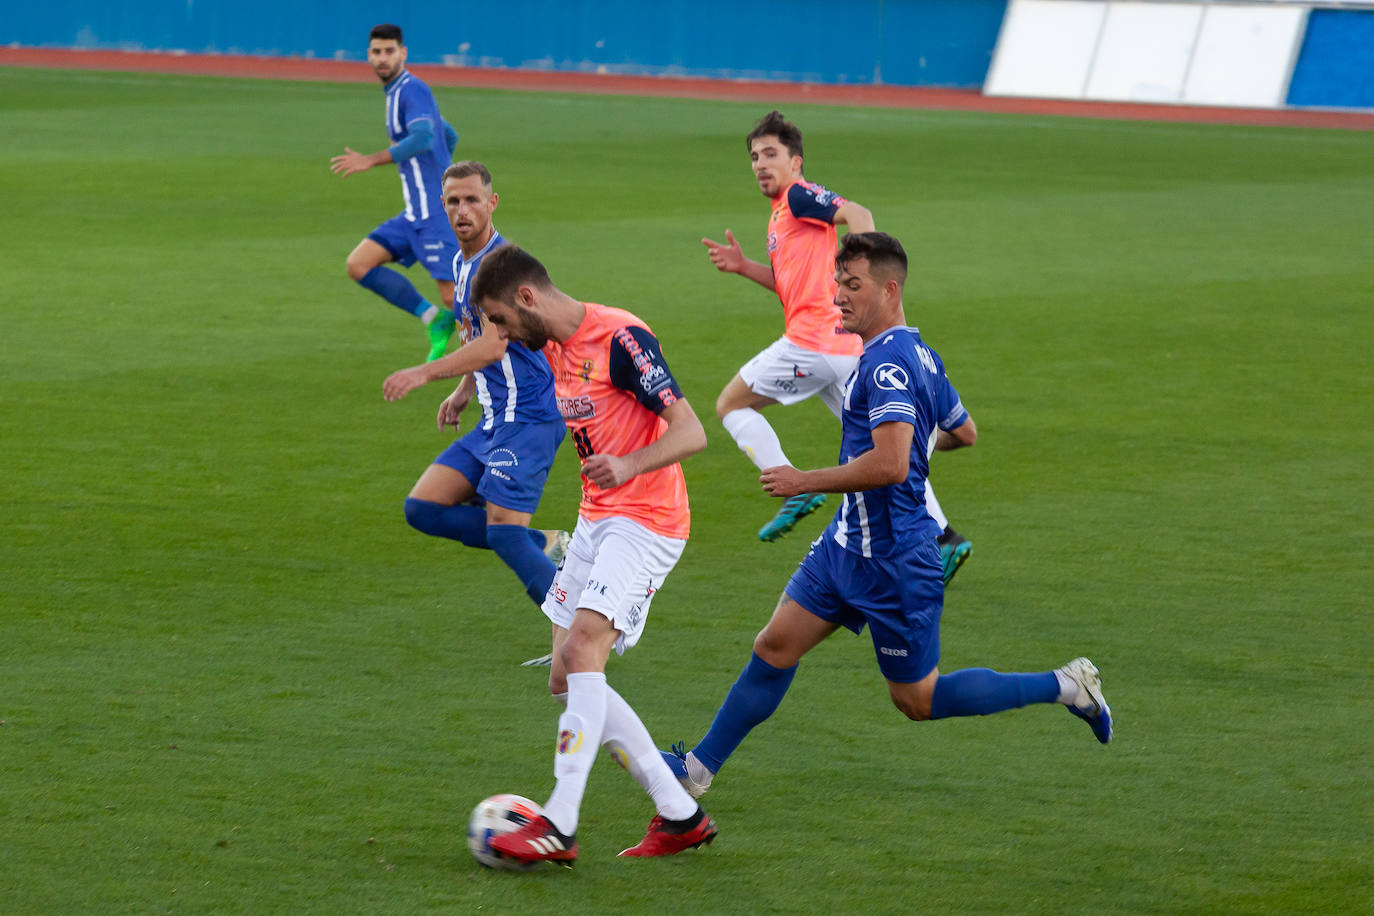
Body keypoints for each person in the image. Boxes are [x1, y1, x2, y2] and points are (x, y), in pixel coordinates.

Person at [663, 232, 1112, 803]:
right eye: (837, 284)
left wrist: (806, 480)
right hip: (845, 546)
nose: (839, 297)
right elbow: (963, 431)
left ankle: (1065, 686)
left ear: (889, 289)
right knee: (775, 645)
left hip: (898, 561)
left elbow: (893, 464)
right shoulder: (919, 353)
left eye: (853, 286)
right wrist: (912, 443)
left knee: (916, 701)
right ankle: (697, 769)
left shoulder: (886, 365)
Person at [469, 245, 718, 865]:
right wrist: (459, 395)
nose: (500, 334)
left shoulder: (622, 340)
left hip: (648, 521)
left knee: (584, 648)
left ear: (526, 298)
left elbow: (693, 432)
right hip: (596, 520)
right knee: (565, 677)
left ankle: (559, 821)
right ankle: (680, 813)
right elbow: (509, 374)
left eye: (500, 319)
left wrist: (629, 463)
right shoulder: (548, 344)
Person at [706, 111, 973, 583]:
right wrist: (744, 266)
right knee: (882, 445)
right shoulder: (784, 215)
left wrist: (859, 271)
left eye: (771, 154)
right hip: (842, 349)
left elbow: (858, 214)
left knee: (730, 404)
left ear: (796, 161)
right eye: (754, 156)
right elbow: (794, 287)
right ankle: (944, 537)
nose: (760, 164)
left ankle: (792, 486)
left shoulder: (799, 194)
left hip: (814, 344)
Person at [382, 162, 569, 628]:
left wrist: (425, 374)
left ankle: (580, 634)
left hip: (528, 417)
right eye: (452, 201)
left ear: (492, 203)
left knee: (504, 534)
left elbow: (493, 343)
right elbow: (476, 335)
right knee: (423, 508)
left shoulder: (501, 266)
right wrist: (465, 390)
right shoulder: (462, 261)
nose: (462, 210)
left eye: (471, 200)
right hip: (495, 417)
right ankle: (547, 545)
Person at [332, 23, 461, 363]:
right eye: (376, 52)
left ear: (403, 53)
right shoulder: (397, 94)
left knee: (454, 295)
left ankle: (505, 357)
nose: (382, 58)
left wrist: (369, 161)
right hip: (413, 215)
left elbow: (423, 138)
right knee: (358, 264)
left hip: (434, 214)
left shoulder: (411, 90)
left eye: (389, 51)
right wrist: (439, 166)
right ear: (368, 56)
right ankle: (434, 321)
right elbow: (448, 134)